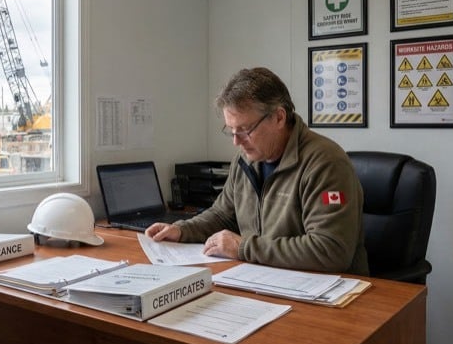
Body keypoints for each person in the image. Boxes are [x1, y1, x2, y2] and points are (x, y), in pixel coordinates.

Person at [146, 67, 369, 275]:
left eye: (244, 129)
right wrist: (182, 230)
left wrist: (244, 247)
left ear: (279, 117)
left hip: (329, 295)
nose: (236, 141)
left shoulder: (325, 163)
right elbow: (223, 214)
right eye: (231, 130)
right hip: (264, 279)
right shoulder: (246, 159)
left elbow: (331, 251)